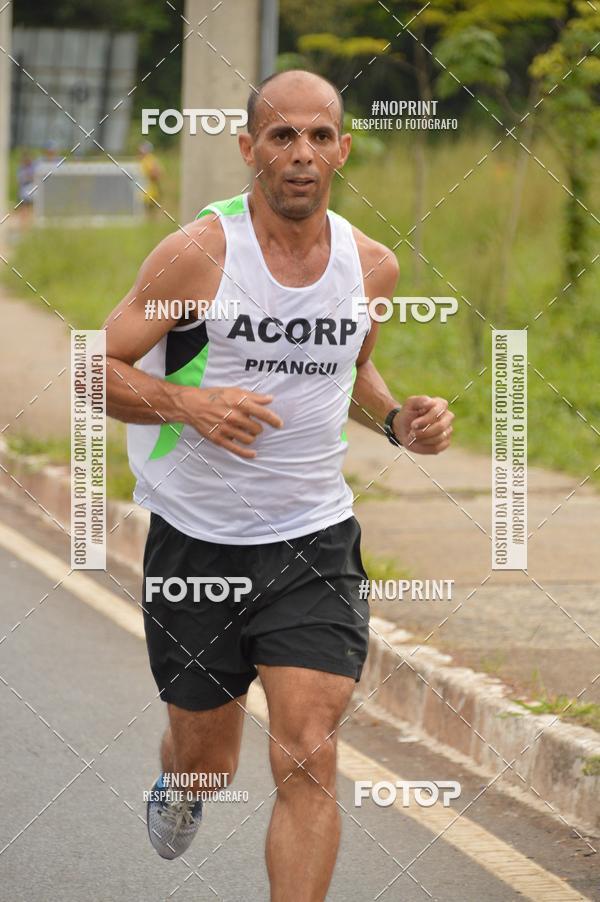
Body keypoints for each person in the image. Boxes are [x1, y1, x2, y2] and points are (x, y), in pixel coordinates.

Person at [104, 69, 454, 900]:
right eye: (282, 136)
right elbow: (95, 371)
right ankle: (181, 781)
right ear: (249, 148)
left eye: (320, 137)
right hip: (198, 540)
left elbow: (356, 379)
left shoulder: (371, 267)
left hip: (313, 539)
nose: (302, 154)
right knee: (208, 764)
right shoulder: (197, 255)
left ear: (342, 150)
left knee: (308, 749)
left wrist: (402, 421)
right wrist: (186, 402)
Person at [138, 140, 163, 216]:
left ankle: (150, 221)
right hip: (149, 188)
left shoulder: (148, 159)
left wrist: (152, 176)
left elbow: (155, 173)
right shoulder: (148, 159)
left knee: (149, 208)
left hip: (150, 188)